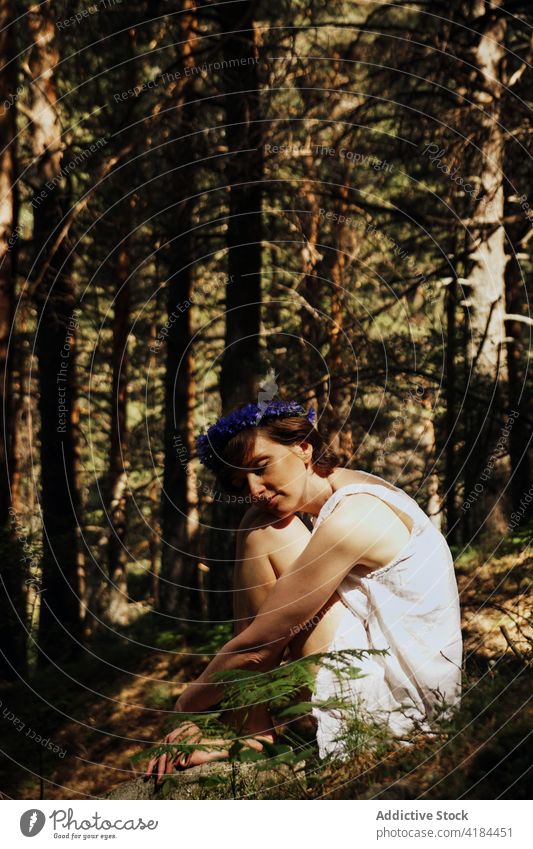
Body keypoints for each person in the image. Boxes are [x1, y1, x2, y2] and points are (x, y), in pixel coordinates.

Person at [145, 400, 462, 783]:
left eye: (261, 467)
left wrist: (183, 708)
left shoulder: (353, 517)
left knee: (263, 530)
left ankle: (249, 728)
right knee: (261, 523)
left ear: (304, 447)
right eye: (240, 481)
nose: (254, 488)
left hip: (400, 711)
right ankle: (247, 721)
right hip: (395, 683)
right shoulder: (355, 484)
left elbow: (258, 646)